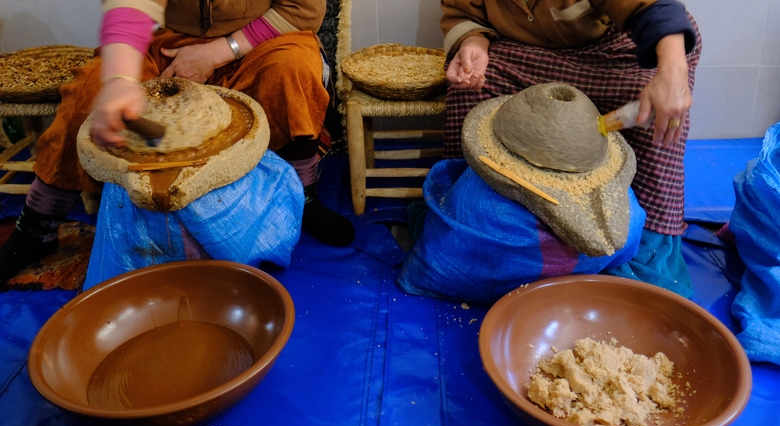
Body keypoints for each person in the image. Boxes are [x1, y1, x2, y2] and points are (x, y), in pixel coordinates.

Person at [0, 0, 355, 285]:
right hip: (167, 40)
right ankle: (37, 227)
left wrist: (216, 53)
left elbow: (304, 9)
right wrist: (120, 78)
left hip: (260, 38)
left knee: (291, 73)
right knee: (91, 90)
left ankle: (303, 196)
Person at [439, 0, 702, 297]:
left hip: (608, 57)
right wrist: (474, 43)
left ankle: (647, 243)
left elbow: (650, 8)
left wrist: (673, 72)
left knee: (655, 118)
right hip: (525, 55)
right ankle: (471, 217)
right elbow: (464, 14)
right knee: (472, 85)